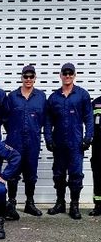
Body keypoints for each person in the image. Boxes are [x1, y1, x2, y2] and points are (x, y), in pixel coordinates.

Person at [44, 63, 93, 220]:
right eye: (64, 73)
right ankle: (60, 203)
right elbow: (48, 121)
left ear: (74, 75)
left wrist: (88, 137)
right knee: (58, 174)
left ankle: (74, 205)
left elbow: (89, 118)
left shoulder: (82, 95)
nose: (67, 76)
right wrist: (48, 139)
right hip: (58, 143)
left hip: (76, 143)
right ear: (60, 75)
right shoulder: (54, 98)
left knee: (76, 174)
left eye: (70, 73)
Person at [4, 65, 47, 220]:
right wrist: (14, 132)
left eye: (31, 76)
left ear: (35, 78)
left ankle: (29, 203)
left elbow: (44, 119)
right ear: (21, 77)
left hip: (33, 141)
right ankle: (12, 203)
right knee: (13, 173)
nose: (28, 79)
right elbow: (5, 118)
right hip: (15, 141)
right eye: (25, 76)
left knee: (31, 173)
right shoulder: (12, 97)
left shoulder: (41, 97)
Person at [90, 95, 101, 216]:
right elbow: (90, 122)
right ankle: (98, 205)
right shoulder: (96, 103)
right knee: (98, 175)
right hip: (98, 145)